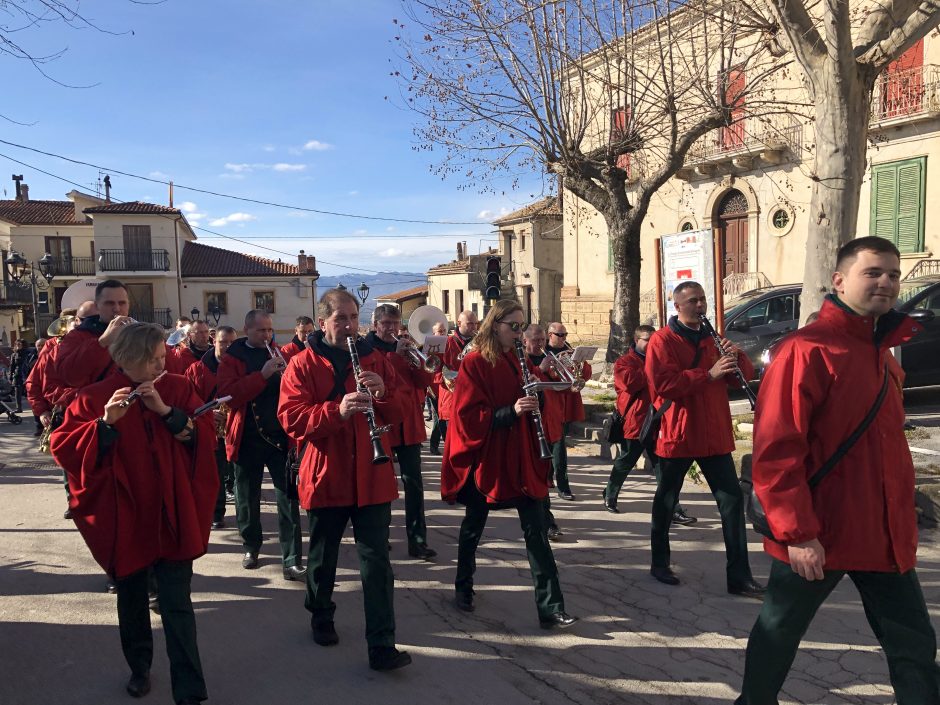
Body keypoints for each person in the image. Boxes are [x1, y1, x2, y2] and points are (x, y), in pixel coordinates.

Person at [736, 237, 940, 705]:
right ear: (840, 280)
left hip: (883, 531)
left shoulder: (883, 354)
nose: (886, 282)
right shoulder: (806, 350)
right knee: (778, 633)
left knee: (913, 643)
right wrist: (797, 533)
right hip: (818, 533)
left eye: (892, 273)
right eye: (873, 273)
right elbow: (777, 451)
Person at [50, 322, 217, 705]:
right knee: (132, 601)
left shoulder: (175, 387)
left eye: (164, 356)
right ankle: (139, 667)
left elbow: (202, 435)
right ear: (127, 359)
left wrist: (168, 413)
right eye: (154, 359)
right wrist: (104, 424)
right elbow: (66, 450)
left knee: (177, 603)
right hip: (125, 517)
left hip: (170, 513)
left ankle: (190, 687)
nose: (163, 364)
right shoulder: (94, 397)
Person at [278, 288, 412, 671]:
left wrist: (383, 393)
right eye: (341, 319)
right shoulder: (302, 364)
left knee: (377, 562)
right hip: (326, 473)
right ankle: (321, 613)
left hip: (372, 475)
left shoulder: (376, 359)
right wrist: (335, 411)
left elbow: (402, 409)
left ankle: (382, 644)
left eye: (354, 317)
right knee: (323, 556)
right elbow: (291, 418)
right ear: (323, 323)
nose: (349, 325)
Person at [441, 300, 576, 629]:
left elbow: (533, 396)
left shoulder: (518, 361)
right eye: (513, 327)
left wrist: (539, 395)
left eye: (521, 327)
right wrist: (510, 411)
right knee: (474, 527)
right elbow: (468, 418)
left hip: (521, 454)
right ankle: (463, 587)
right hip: (488, 456)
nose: (519, 333)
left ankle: (551, 607)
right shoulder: (474, 362)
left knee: (537, 532)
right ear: (494, 325)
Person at [645, 280, 764, 598]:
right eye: (693, 301)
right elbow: (664, 384)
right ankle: (660, 563)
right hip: (680, 432)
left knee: (732, 501)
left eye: (703, 301)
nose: (700, 306)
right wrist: (708, 374)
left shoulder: (713, 338)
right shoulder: (663, 340)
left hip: (713, 433)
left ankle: (739, 575)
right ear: (677, 306)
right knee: (666, 499)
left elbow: (743, 378)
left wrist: (735, 356)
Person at [217, 310, 305, 580]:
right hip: (247, 438)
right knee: (246, 498)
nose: (267, 335)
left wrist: (287, 376)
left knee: (288, 498)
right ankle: (251, 547)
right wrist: (262, 375)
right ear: (247, 330)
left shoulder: (282, 354)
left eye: (269, 331)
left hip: (279, 438)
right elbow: (227, 397)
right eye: (261, 331)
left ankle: (291, 558)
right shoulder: (232, 358)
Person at [603, 325, 696, 525]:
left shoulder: (663, 360)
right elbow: (629, 383)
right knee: (625, 461)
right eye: (647, 339)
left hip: (659, 421)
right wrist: (652, 367)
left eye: (654, 339)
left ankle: (673, 508)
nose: (651, 343)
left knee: (664, 468)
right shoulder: (624, 362)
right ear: (636, 341)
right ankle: (610, 493)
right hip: (637, 422)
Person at [367, 304, 437, 559]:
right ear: (375, 325)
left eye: (395, 324)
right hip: (383, 425)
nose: (391, 329)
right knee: (381, 486)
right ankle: (380, 537)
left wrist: (417, 362)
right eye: (386, 324)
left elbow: (425, 382)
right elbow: (384, 381)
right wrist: (396, 357)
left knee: (414, 486)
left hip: (409, 424)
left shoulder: (407, 347)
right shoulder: (368, 350)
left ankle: (417, 540)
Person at [186, 325, 238, 530]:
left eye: (231, 343)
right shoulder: (197, 369)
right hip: (211, 428)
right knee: (214, 473)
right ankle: (217, 514)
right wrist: (208, 413)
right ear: (213, 341)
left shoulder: (241, 366)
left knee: (236, 476)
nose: (227, 346)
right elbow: (188, 399)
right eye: (223, 342)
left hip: (236, 428)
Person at [521, 324, 565, 541]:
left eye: (542, 340)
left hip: (552, 422)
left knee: (546, 476)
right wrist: (542, 370)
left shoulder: (550, 357)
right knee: (540, 479)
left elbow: (566, 383)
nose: (540, 344)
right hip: (531, 426)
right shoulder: (522, 360)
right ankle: (546, 522)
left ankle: (543, 519)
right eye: (535, 340)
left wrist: (569, 367)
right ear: (525, 341)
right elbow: (527, 383)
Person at [545, 322, 592, 501]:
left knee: (558, 445)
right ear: (550, 335)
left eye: (565, 334)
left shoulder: (570, 351)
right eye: (560, 335)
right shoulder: (545, 353)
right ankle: (556, 482)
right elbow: (551, 377)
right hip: (551, 404)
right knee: (554, 447)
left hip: (568, 403)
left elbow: (585, 375)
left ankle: (555, 481)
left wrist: (580, 364)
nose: (564, 338)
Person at [435, 310, 478, 454]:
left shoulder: (480, 343)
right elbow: (434, 372)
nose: (474, 327)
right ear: (459, 324)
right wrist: (451, 379)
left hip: (473, 403)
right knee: (452, 449)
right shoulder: (445, 342)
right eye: (470, 323)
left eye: (476, 324)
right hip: (450, 401)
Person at [426, 320, 449, 450]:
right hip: (434, 386)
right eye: (440, 331)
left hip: (446, 385)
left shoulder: (449, 343)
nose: (442, 333)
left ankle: (439, 444)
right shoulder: (430, 346)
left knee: (442, 416)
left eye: (444, 330)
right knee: (438, 417)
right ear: (433, 333)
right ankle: (435, 445)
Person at [8, 338, 37, 413]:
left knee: (29, 392)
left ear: (23, 345)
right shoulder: (14, 355)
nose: (17, 346)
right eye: (16, 344)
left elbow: (32, 363)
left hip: (27, 374)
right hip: (18, 375)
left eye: (19, 344)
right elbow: (12, 366)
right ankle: (19, 408)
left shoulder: (28, 353)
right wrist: (10, 377)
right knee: (17, 393)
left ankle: (34, 407)